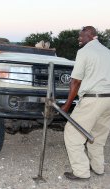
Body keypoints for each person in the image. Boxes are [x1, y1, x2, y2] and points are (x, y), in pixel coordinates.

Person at [61, 26, 110, 180]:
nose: (78, 38)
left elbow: (75, 81)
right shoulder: (107, 52)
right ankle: (98, 168)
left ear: (90, 34)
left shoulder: (84, 52)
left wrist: (67, 105)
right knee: (98, 136)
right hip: (108, 99)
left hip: (92, 99)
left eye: (80, 36)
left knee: (72, 133)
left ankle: (81, 172)